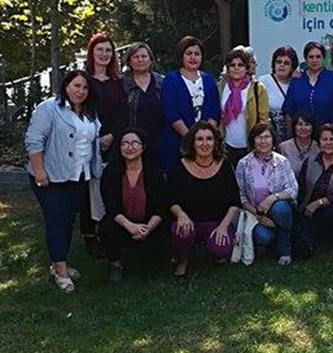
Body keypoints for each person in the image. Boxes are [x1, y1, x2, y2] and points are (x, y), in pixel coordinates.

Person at [24, 70, 102, 293]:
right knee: (56, 220)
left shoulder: (89, 111)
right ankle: (60, 269)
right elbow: (34, 140)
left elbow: (89, 139)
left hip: (78, 175)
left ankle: (59, 261)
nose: (81, 91)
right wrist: (40, 171)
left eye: (85, 87)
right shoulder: (49, 108)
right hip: (50, 176)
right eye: (76, 86)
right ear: (66, 86)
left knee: (68, 221)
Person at [167, 122, 241, 277]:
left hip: (216, 222)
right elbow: (171, 199)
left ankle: (216, 253)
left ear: (215, 142)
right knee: (180, 231)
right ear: (192, 143)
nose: (204, 143)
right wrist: (181, 214)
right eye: (199, 139)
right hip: (188, 222)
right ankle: (182, 261)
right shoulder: (180, 167)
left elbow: (234, 202)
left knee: (220, 249)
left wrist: (223, 226)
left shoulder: (225, 166)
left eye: (209, 139)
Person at [99, 128, 168, 283]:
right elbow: (111, 207)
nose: (129, 147)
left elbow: (160, 206)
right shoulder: (111, 172)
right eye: (125, 144)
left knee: (164, 230)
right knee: (106, 228)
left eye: (134, 143)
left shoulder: (153, 172)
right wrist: (130, 226)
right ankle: (115, 265)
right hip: (123, 223)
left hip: (149, 223)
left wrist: (148, 228)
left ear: (143, 147)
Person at [235, 123, 300, 265]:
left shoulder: (282, 161)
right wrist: (258, 215)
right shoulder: (243, 164)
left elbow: (293, 189)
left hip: (278, 209)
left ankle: (284, 249)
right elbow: (241, 196)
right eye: (259, 137)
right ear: (253, 141)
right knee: (263, 237)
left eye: (267, 137)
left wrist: (272, 198)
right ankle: (270, 239)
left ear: (273, 140)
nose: (263, 141)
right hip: (255, 213)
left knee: (280, 208)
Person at [81, 33, 122, 259]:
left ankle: (109, 228)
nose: (104, 54)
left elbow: (123, 112)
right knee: (87, 188)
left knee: (109, 185)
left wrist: (112, 136)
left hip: (113, 142)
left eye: (108, 50)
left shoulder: (117, 82)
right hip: (87, 141)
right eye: (100, 49)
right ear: (92, 52)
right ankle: (89, 234)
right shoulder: (84, 80)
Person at [161, 35, 222, 174]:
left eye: (197, 54)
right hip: (177, 143)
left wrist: (204, 139)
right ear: (181, 56)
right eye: (189, 53)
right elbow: (171, 113)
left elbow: (215, 112)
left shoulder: (208, 80)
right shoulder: (170, 80)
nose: (193, 57)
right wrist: (191, 139)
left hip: (206, 147)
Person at [102, 42, 165, 171]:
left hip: (159, 143)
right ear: (129, 61)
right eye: (136, 57)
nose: (140, 60)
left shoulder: (162, 82)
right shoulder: (120, 84)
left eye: (144, 56)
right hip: (130, 145)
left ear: (150, 59)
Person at [297, 124, 333, 246]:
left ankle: (329, 236)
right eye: (324, 139)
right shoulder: (310, 160)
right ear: (319, 142)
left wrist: (320, 203)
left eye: (332, 139)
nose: (328, 143)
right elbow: (301, 186)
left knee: (332, 213)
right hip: (309, 205)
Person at [219, 46, 270, 163]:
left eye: (240, 65)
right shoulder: (221, 86)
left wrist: (261, 144)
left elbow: (264, 120)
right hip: (225, 145)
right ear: (228, 68)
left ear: (246, 68)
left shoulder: (258, 88)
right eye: (232, 65)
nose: (236, 68)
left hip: (249, 146)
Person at [283, 41, 333, 127]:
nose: (314, 60)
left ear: (323, 58)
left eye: (318, 57)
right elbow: (288, 111)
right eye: (311, 57)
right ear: (305, 59)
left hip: (327, 133)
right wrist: (289, 133)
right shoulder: (297, 81)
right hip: (302, 132)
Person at [259, 46, 299, 141]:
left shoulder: (297, 84)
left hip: (294, 136)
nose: (282, 65)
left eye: (286, 63)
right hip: (270, 137)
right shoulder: (262, 82)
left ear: (292, 67)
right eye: (278, 62)